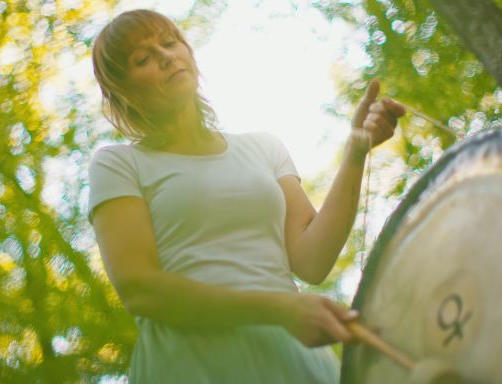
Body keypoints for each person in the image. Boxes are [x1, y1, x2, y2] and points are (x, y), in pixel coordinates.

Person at [87, 8, 405, 384]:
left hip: (293, 358)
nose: (165, 55)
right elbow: (142, 290)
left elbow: (311, 261)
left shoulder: (263, 147)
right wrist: (280, 310)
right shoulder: (118, 164)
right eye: (142, 58)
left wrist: (356, 152)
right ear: (123, 90)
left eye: (170, 42)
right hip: (191, 364)